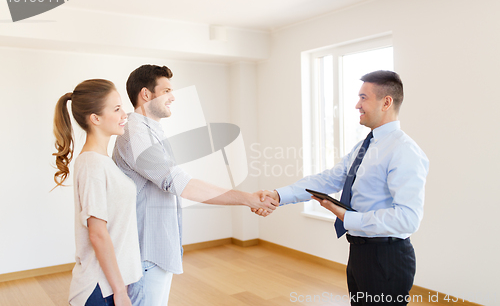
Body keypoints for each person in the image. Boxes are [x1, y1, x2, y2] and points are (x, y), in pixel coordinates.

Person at [258, 70, 429, 305]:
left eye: (363, 97)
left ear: (386, 102)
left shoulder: (404, 150)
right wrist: (279, 195)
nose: (357, 105)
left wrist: (348, 217)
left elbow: (408, 218)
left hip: (387, 258)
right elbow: (328, 179)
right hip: (360, 252)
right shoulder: (364, 146)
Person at [112, 64, 278, 306]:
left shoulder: (149, 131)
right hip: (146, 253)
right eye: (166, 90)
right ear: (145, 95)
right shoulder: (137, 134)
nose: (173, 97)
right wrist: (248, 199)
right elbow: (183, 185)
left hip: (154, 249)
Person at [52, 79, 142, 306]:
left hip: (110, 284)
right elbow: (97, 234)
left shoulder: (102, 161)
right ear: (95, 118)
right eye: (116, 108)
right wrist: (119, 291)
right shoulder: (92, 164)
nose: (125, 114)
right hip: (100, 289)